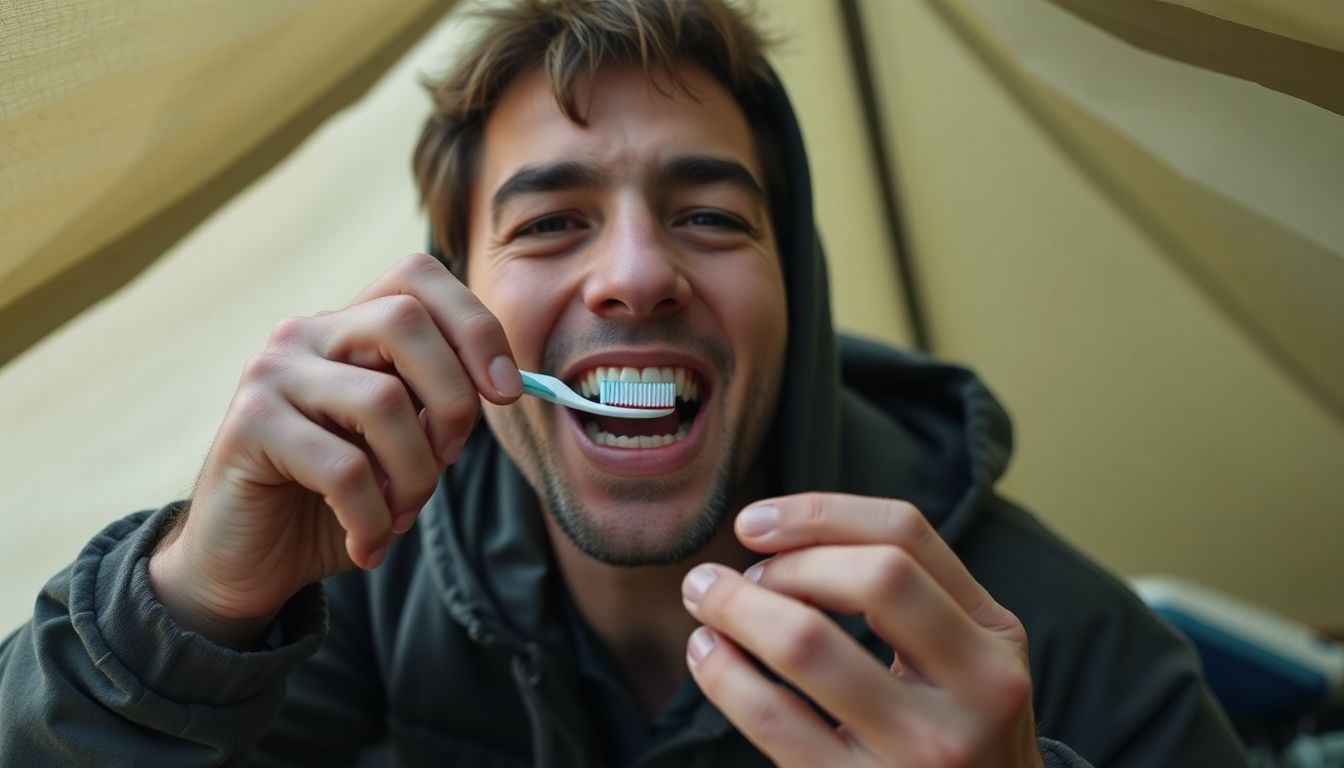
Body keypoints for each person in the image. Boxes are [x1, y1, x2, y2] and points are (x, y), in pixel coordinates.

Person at [0, 1, 1247, 765]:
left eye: (709, 214)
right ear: (451, 311)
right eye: (550, 225)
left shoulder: (1077, 659)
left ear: (795, 294)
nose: (636, 275)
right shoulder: (361, 593)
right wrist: (178, 612)